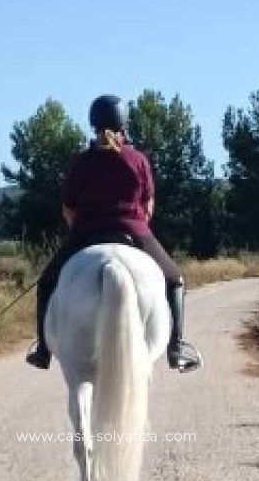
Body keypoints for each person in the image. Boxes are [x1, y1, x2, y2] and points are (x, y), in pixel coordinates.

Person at [26, 95, 204, 373]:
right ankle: (176, 346)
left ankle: (43, 349)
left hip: (85, 233)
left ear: (93, 124)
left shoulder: (80, 162)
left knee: (46, 282)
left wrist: (82, 229)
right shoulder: (138, 160)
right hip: (134, 230)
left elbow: (68, 210)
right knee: (174, 279)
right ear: (124, 123)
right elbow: (147, 207)